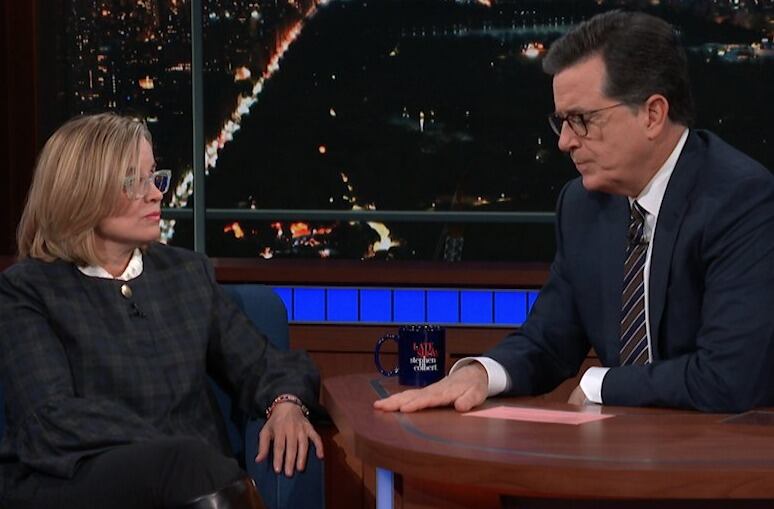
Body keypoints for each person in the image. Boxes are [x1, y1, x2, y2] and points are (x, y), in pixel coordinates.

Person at [375, 10, 774, 415]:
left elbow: (729, 377)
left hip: (725, 445)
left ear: (652, 114)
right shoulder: (583, 205)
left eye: (581, 119)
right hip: (624, 443)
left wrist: (601, 383)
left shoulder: (739, 200)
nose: (565, 141)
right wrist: (480, 374)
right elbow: (548, 340)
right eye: (561, 121)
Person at [0, 113, 324, 508]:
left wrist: (287, 404)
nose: (155, 193)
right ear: (82, 193)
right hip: (82, 479)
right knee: (186, 463)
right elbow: (50, 418)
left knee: (193, 466)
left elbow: (265, 363)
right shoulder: (28, 290)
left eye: (154, 176)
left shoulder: (185, 275)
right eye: (134, 182)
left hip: (195, 481)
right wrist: (170, 448)